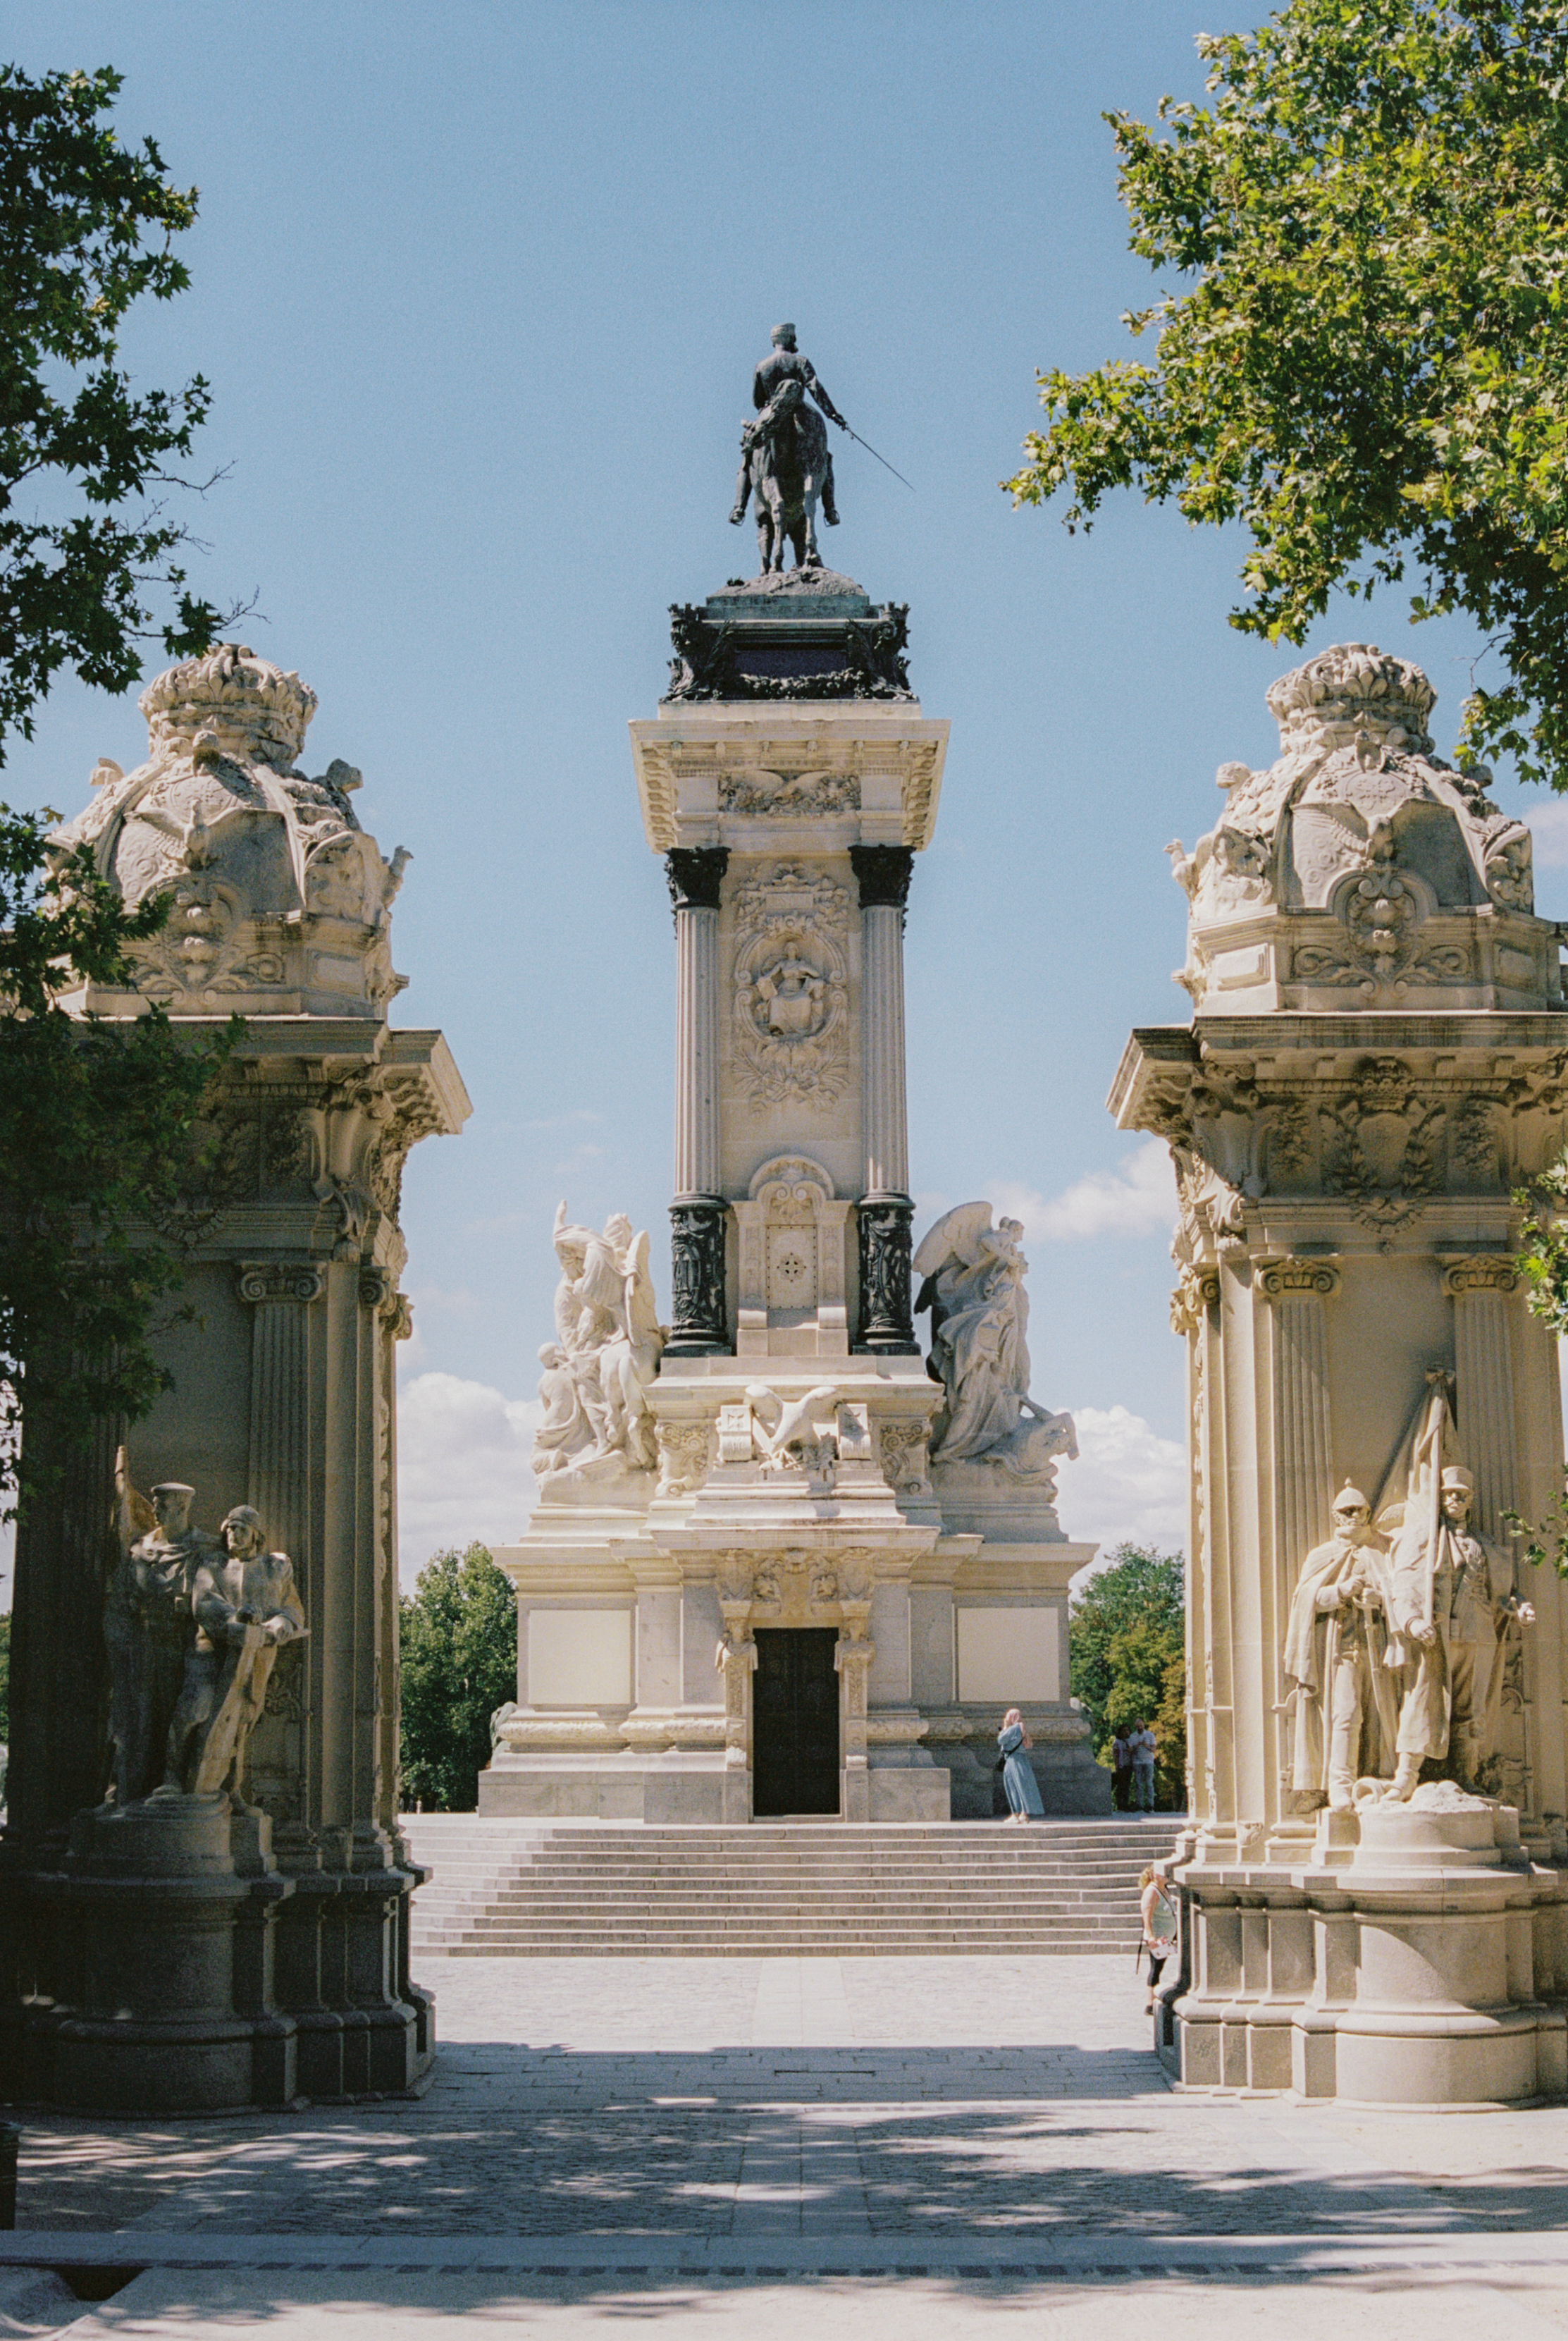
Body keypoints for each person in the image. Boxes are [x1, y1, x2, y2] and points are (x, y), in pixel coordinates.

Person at [1385, 1463, 1534, 1798]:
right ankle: (1406, 1775)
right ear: (1440, 1498)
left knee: (1473, 1708)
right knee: (1423, 1701)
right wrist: (1411, 1621)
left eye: (1462, 1495)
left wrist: (1520, 1606)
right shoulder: (1425, 1540)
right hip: (1437, 1635)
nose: (1455, 1499)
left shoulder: (1485, 1544)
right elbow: (1404, 1585)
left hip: (1480, 1634)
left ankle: (1464, 1774)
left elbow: (1502, 1593)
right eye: (1449, 1494)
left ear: (1470, 1500)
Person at [1282, 1483, 1395, 1810]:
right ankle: (1340, 1784)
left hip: (1380, 1647)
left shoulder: (1382, 1553)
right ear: (1336, 1516)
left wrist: (1380, 1600)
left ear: (1369, 1514)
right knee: (1346, 1714)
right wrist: (1341, 1592)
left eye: (1360, 1510)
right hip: (1342, 1649)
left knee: (1381, 1714)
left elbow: (1401, 1595)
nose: (1354, 1516)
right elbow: (1306, 1600)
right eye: (1347, 1511)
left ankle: (1379, 1778)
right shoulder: (1322, 1555)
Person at [996, 1707, 1045, 1824]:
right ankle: (1023, 1814)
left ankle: (1016, 1814)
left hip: (1013, 1760)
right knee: (1022, 1786)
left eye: (1008, 1716)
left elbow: (1000, 1740)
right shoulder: (1021, 1728)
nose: (1006, 1718)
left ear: (1012, 1717)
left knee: (1012, 1787)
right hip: (1021, 1760)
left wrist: (1004, 1726)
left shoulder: (1013, 1728)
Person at [1139, 1862, 1176, 2013]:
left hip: (1166, 1937)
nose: (1166, 1876)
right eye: (1163, 1874)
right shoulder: (1151, 1892)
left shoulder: (1164, 1889)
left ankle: (1154, 1999)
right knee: (1156, 1968)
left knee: (1160, 1967)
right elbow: (1147, 1915)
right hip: (1158, 1938)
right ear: (1155, 1876)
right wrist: (1151, 1936)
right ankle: (1149, 2003)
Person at [1129, 1719, 1157, 1812]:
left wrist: (1146, 1746)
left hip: (1148, 1762)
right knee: (1138, 1784)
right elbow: (1130, 1751)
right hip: (1137, 1762)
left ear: (1144, 1725)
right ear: (1135, 1727)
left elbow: (1154, 1749)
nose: (1140, 1728)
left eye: (1141, 1726)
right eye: (1138, 1726)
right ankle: (1140, 1805)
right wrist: (1137, 1746)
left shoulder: (1150, 1735)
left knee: (1149, 1783)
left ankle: (1150, 1805)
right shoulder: (1133, 1736)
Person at [1110, 1723, 1133, 1812]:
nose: (1126, 1732)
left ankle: (1125, 1805)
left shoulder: (1130, 1741)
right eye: (1124, 1731)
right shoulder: (1117, 1742)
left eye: (1127, 1730)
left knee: (1127, 1786)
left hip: (1129, 1766)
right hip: (1121, 1766)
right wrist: (1117, 1766)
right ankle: (1120, 1805)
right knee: (1121, 1787)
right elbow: (1115, 1755)